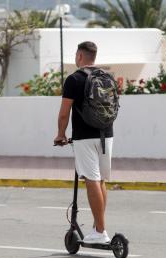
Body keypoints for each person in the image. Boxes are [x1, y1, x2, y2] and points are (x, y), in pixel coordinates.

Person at [54, 41, 113, 244]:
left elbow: (64, 114)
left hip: (84, 137)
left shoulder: (74, 79)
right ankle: (98, 228)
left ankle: (101, 231)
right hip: (107, 134)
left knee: (91, 180)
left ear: (80, 56)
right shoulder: (107, 77)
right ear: (93, 57)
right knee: (101, 180)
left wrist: (60, 134)